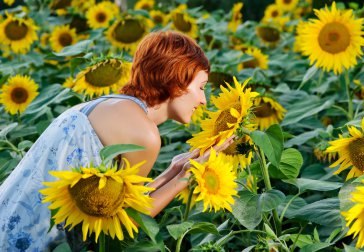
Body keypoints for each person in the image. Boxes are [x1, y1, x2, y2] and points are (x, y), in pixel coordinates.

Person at [0, 31, 235, 251]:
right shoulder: (144, 133)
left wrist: (174, 169)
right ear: (176, 81)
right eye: (201, 87)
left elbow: (121, 197)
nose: (204, 100)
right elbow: (126, 218)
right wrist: (188, 176)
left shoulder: (108, 104)